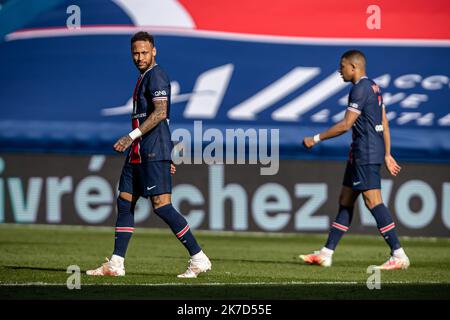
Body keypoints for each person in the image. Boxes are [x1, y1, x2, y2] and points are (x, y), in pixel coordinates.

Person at [86, 31, 211, 278]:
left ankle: (199, 258)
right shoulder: (144, 77)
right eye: (135, 52)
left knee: (162, 206)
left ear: (154, 51)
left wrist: (132, 137)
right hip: (140, 152)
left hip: (152, 149)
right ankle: (116, 263)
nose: (140, 56)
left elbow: (161, 113)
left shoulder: (157, 76)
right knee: (125, 201)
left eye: (144, 52)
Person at [299, 50, 410, 270]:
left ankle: (398, 253)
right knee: (346, 199)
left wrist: (316, 138)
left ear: (354, 67)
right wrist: (387, 153)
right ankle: (326, 253)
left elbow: (346, 124)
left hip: (365, 152)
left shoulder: (359, 89)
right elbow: (384, 122)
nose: (340, 71)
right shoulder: (374, 87)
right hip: (362, 152)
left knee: (373, 201)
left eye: (342, 66)